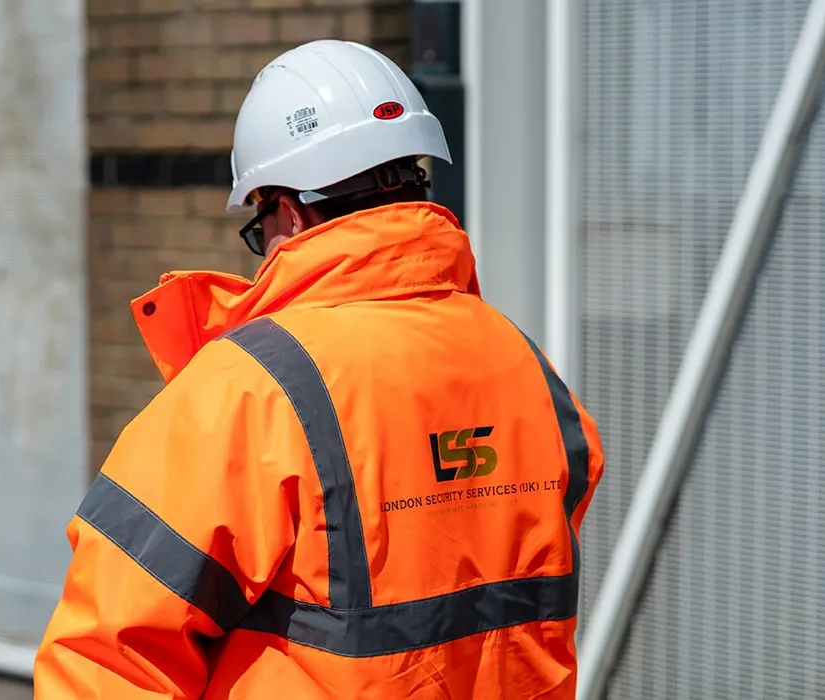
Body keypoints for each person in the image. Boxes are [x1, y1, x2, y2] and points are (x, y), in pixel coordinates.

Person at [33, 39, 604, 699]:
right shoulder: (529, 370)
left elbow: (105, 661)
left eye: (258, 227)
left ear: (290, 210)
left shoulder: (250, 389)